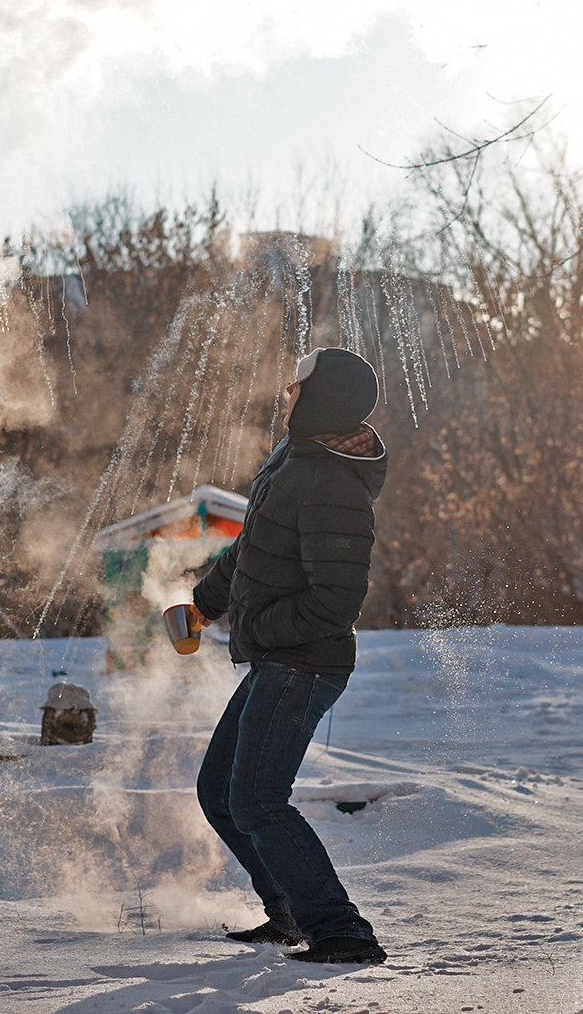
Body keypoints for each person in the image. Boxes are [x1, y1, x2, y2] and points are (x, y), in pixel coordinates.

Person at [189, 346, 389, 966]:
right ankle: (291, 914)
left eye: (296, 388)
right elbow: (252, 547)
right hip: (280, 657)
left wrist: (259, 626)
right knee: (220, 791)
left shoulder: (334, 485)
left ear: (319, 400)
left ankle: (342, 931)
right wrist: (205, 603)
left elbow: (335, 602)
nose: (286, 395)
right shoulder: (294, 462)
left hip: (304, 663)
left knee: (255, 799)